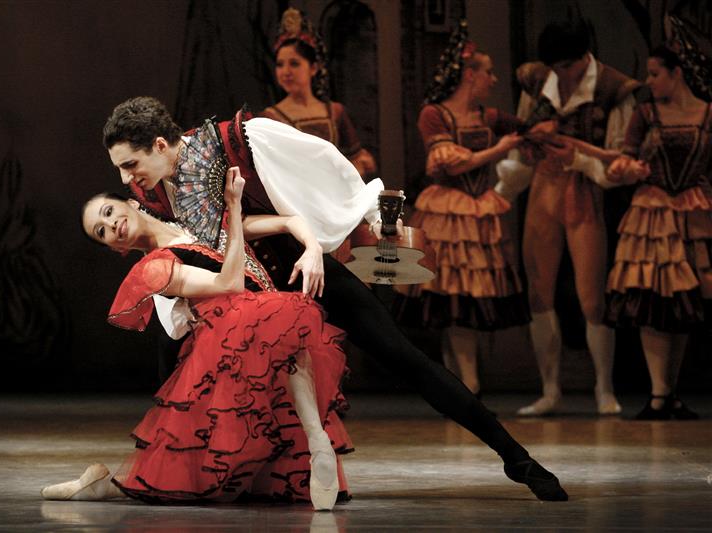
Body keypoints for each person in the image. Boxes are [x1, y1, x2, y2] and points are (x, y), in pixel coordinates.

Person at [101, 96, 569, 501]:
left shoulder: (242, 138)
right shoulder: (153, 196)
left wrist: (346, 228)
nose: (126, 179)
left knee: (404, 357)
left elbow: (324, 162)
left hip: (302, 267)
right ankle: (207, 481)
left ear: (159, 145)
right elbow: (181, 250)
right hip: (245, 295)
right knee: (187, 374)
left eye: (130, 164)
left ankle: (517, 458)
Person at [43, 169, 350, 509]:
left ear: (132, 204)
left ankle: (317, 443)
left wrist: (312, 248)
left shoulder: (196, 224)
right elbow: (229, 284)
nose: (111, 225)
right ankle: (317, 441)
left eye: (109, 212)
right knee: (199, 483)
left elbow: (290, 220)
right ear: (116, 248)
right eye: (102, 231)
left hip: (263, 339)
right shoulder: (153, 268)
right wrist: (233, 209)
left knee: (287, 332)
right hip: (230, 344)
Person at [512, 19, 640, 416]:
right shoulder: (537, 80)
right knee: (539, 290)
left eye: (568, 66)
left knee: (591, 295)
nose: (561, 75)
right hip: (544, 185)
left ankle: (604, 387)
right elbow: (521, 137)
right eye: (556, 67)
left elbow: (620, 158)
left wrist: (580, 158)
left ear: (585, 57)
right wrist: (531, 145)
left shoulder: (613, 89)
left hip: (587, 188)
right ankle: (549, 389)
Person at [401, 21, 530, 396]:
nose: (493, 79)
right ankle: (463, 383)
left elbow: (531, 129)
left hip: (476, 216)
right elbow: (450, 163)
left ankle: (463, 384)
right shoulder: (435, 114)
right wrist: (499, 150)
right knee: (449, 298)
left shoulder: (487, 117)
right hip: (446, 215)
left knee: (466, 297)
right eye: (488, 72)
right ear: (470, 75)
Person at [605, 42, 711, 420]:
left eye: (655, 74)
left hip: (692, 210)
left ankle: (671, 392)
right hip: (652, 211)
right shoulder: (646, 113)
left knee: (682, 302)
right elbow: (626, 157)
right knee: (652, 299)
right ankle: (658, 392)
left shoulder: (707, 113)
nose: (649, 81)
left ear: (676, 73)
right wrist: (627, 170)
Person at [261, 7, 377, 179]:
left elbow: (360, 161)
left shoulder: (335, 112)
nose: (285, 72)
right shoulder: (271, 118)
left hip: (335, 192)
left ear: (313, 68)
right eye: (280, 64)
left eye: (294, 63)